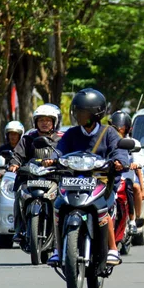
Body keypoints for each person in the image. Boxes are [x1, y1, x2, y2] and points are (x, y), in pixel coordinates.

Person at [46, 88, 129, 267]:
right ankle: (57, 250)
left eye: (83, 112)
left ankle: (113, 249)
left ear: (96, 113)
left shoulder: (109, 133)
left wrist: (119, 161)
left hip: (102, 181)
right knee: (58, 208)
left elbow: (120, 151)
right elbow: (60, 150)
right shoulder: (71, 134)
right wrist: (51, 160)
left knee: (102, 210)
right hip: (73, 181)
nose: (79, 116)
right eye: (77, 112)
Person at [7, 104, 63, 242]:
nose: (45, 123)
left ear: (54, 122)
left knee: (65, 198)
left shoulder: (62, 139)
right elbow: (18, 155)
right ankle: (19, 228)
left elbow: (68, 155)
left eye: (48, 120)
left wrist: (56, 162)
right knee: (19, 193)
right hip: (31, 176)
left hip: (55, 176)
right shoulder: (28, 138)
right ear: (36, 122)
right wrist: (14, 164)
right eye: (41, 120)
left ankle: (63, 228)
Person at [109, 110, 144, 235]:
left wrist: (135, 164)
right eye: (116, 127)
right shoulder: (106, 139)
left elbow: (139, 159)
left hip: (126, 177)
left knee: (132, 187)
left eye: (122, 127)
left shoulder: (133, 142)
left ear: (127, 128)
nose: (119, 129)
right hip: (109, 176)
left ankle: (132, 220)